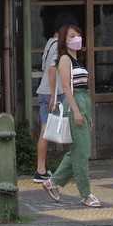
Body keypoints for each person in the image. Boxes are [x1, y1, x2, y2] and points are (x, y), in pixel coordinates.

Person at [41, 23, 100, 208]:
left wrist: (85, 113)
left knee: (77, 150)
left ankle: (53, 182)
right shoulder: (65, 59)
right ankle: (85, 194)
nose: (77, 39)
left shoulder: (76, 60)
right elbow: (66, 87)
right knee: (82, 152)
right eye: (72, 36)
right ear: (64, 41)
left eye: (78, 35)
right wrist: (76, 111)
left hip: (82, 102)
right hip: (74, 103)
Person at [34, 17, 75, 185]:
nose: (74, 38)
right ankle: (70, 169)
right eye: (72, 35)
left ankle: (41, 170)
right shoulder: (59, 47)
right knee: (69, 129)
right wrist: (53, 95)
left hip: (45, 91)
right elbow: (52, 69)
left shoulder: (49, 42)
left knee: (46, 130)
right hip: (56, 93)